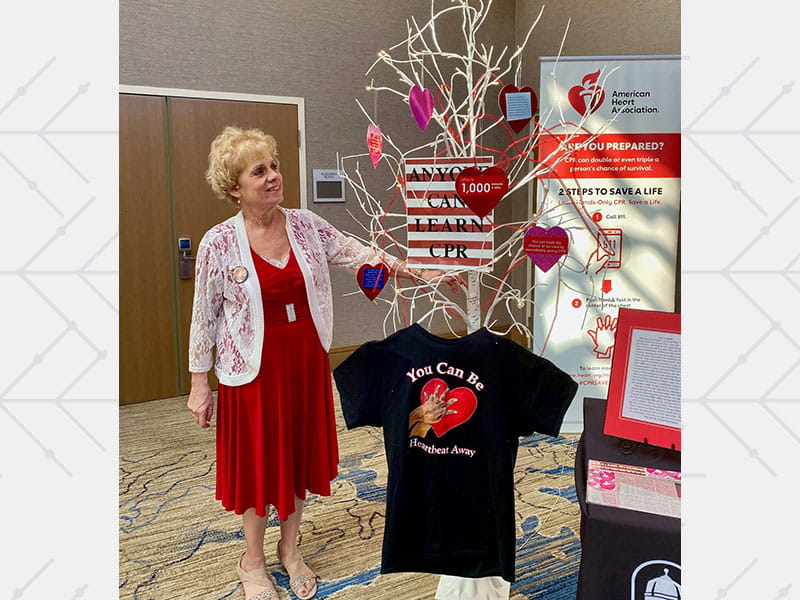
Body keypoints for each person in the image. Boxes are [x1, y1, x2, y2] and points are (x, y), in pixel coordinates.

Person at [187, 125, 459, 600]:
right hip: (250, 372)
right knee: (258, 467)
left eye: (273, 165)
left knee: (295, 459)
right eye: (259, 171)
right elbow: (204, 316)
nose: (274, 176)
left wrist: (419, 270)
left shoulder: (307, 226)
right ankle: (251, 560)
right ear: (235, 188)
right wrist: (198, 382)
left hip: (303, 362)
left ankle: (290, 550)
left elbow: (360, 254)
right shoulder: (218, 243)